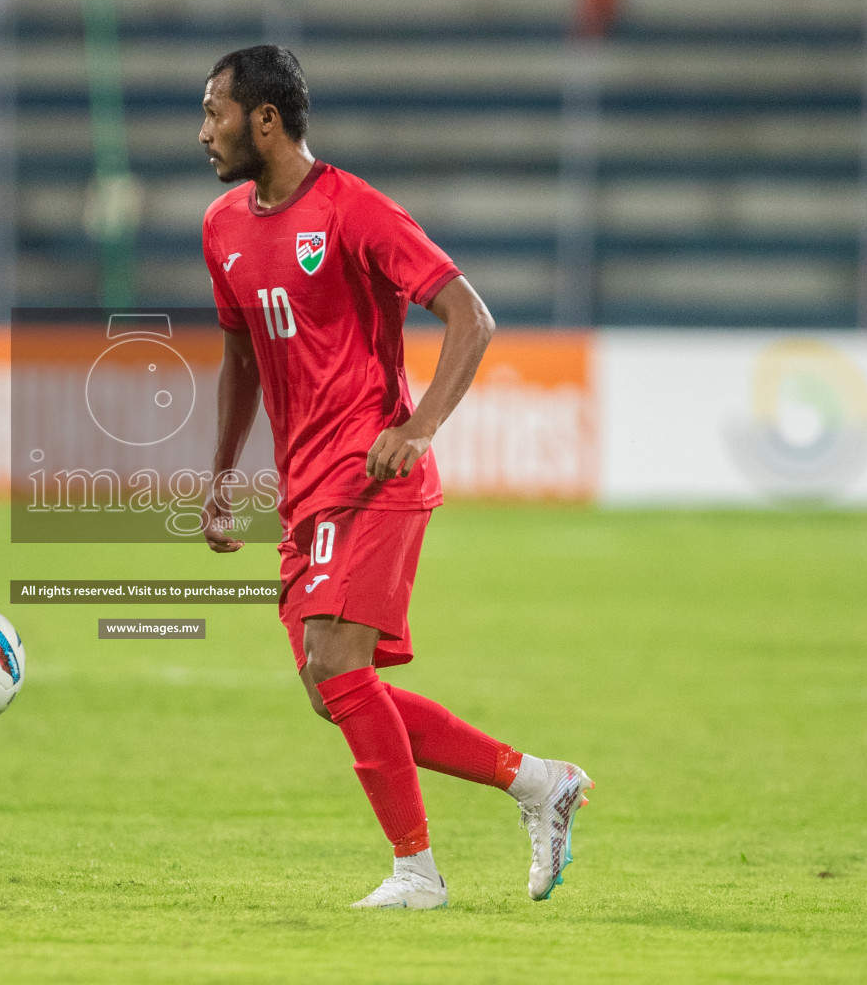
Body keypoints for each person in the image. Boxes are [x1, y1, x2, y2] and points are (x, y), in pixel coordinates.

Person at [198, 45, 592, 909]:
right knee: (330, 689)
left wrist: (418, 428)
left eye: (215, 113)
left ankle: (416, 872)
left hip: (369, 469)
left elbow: (469, 315)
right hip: (304, 484)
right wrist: (224, 473)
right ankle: (536, 784)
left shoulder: (353, 210)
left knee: (339, 669)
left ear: (265, 119)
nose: (205, 133)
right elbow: (240, 360)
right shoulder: (222, 226)